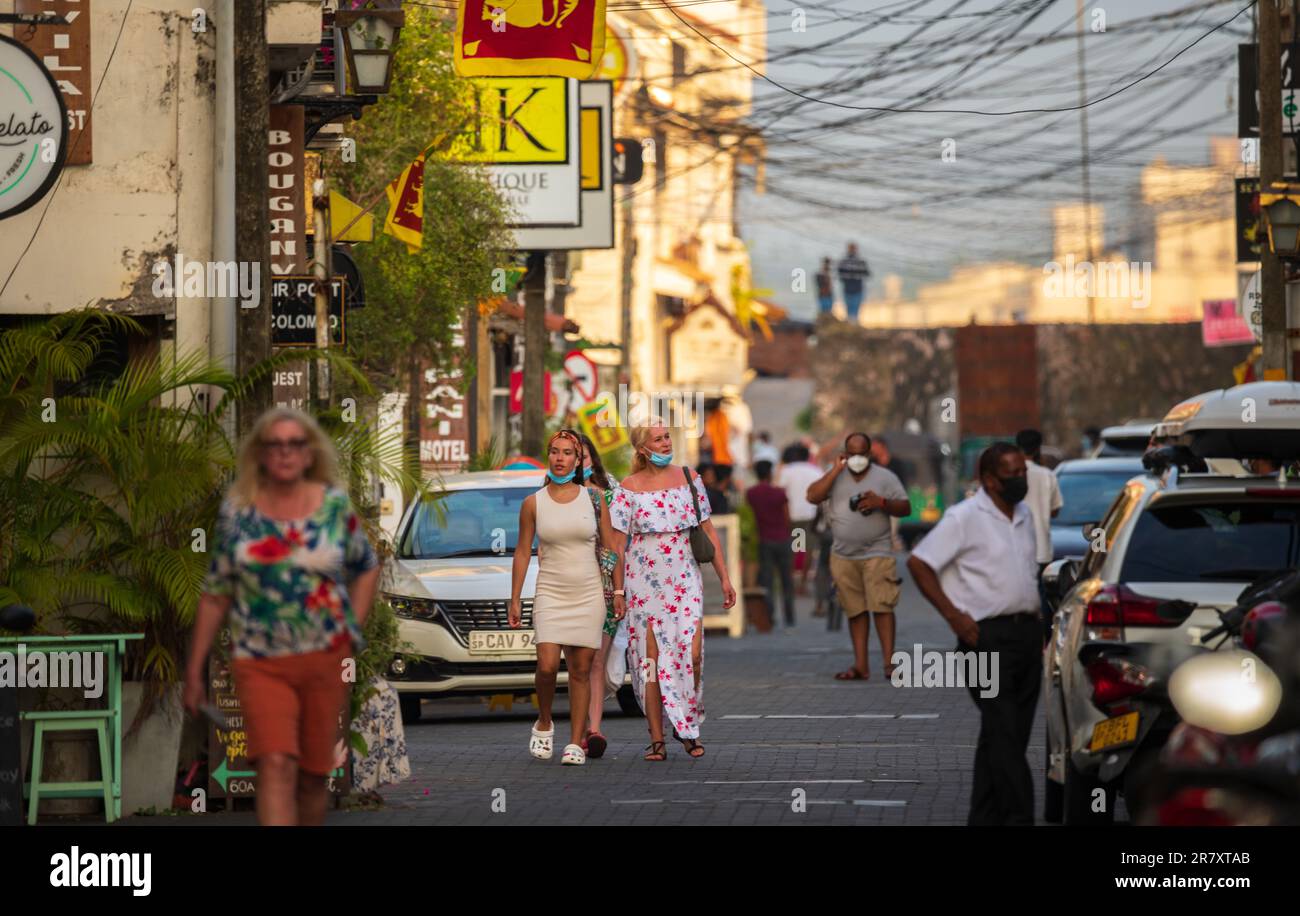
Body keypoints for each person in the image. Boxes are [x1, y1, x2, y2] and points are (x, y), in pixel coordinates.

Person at [183, 407, 380, 826]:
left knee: (312, 776)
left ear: (310, 454)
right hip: (259, 659)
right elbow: (216, 591)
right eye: (274, 444)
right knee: (274, 763)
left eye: (295, 444)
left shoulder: (333, 507)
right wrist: (195, 668)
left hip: (324, 657)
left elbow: (367, 566)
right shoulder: (239, 512)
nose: (285, 453)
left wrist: (352, 630)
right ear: (260, 454)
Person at [907, 442, 1041, 826]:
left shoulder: (1026, 515)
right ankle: (1019, 817)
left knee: (1004, 736)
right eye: (1011, 475)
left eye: (1023, 473)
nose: (1020, 480)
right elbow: (919, 563)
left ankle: (982, 817)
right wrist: (953, 617)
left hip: (1027, 636)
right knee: (1004, 734)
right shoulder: (964, 517)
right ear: (988, 480)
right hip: (984, 639)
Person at [610, 419, 737, 760]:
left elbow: (708, 531)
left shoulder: (689, 478)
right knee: (650, 663)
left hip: (684, 580)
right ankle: (657, 739)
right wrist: (618, 592)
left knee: (691, 655)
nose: (667, 443)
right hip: (643, 583)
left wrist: (724, 578)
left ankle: (688, 724)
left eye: (668, 436)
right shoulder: (628, 487)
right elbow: (618, 547)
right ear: (642, 449)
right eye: (658, 439)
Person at [509, 429, 625, 766]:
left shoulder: (594, 499)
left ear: (578, 461)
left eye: (567, 454)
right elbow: (521, 552)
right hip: (550, 590)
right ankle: (544, 722)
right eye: (555, 452)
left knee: (580, 668)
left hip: (588, 591)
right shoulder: (533, 503)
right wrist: (515, 598)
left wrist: (617, 591)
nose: (560, 459)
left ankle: (575, 742)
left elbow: (610, 548)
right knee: (546, 665)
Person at [807, 432, 910, 680]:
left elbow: (905, 507)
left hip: (878, 551)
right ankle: (861, 665)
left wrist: (881, 502)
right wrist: (834, 471)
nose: (856, 458)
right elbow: (812, 496)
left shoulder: (885, 477)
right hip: (843, 554)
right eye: (851, 453)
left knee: (882, 606)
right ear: (845, 454)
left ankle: (889, 664)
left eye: (860, 453)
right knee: (855, 610)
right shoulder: (836, 476)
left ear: (869, 453)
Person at [578, 431, 620, 759]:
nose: (578, 460)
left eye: (583, 453)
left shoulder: (609, 491)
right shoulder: (550, 494)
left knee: (595, 660)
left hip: (603, 585)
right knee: (567, 662)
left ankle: (593, 730)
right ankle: (562, 726)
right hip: (564, 586)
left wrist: (618, 586)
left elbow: (615, 544)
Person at [1015, 428, 1063, 637]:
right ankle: (1043, 640)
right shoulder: (1047, 475)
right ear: (1037, 448)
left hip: (1016, 546)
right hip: (1042, 548)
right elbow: (1055, 510)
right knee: (1042, 598)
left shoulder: (1011, 472)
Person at [746, 460, 795, 628]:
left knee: (767, 581)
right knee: (786, 580)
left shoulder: (751, 493)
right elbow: (787, 518)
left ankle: (770, 616)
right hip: (782, 538)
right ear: (769, 473)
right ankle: (790, 618)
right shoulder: (780, 493)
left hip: (764, 540)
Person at [776, 443, 822, 595]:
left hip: (792, 515)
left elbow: (780, 492)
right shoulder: (815, 470)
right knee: (808, 549)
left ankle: (791, 583)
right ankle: (802, 583)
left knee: (795, 548)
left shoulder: (787, 471)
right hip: (812, 515)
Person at [836, 243, 871, 323]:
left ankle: (852, 323)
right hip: (852, 288)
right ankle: (852, 323)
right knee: (852, 309)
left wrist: (850, 276)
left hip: (853, 288)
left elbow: (839, 274)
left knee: (852, 309)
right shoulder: (858, 261)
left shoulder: (847, 261)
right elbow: (867, 274)